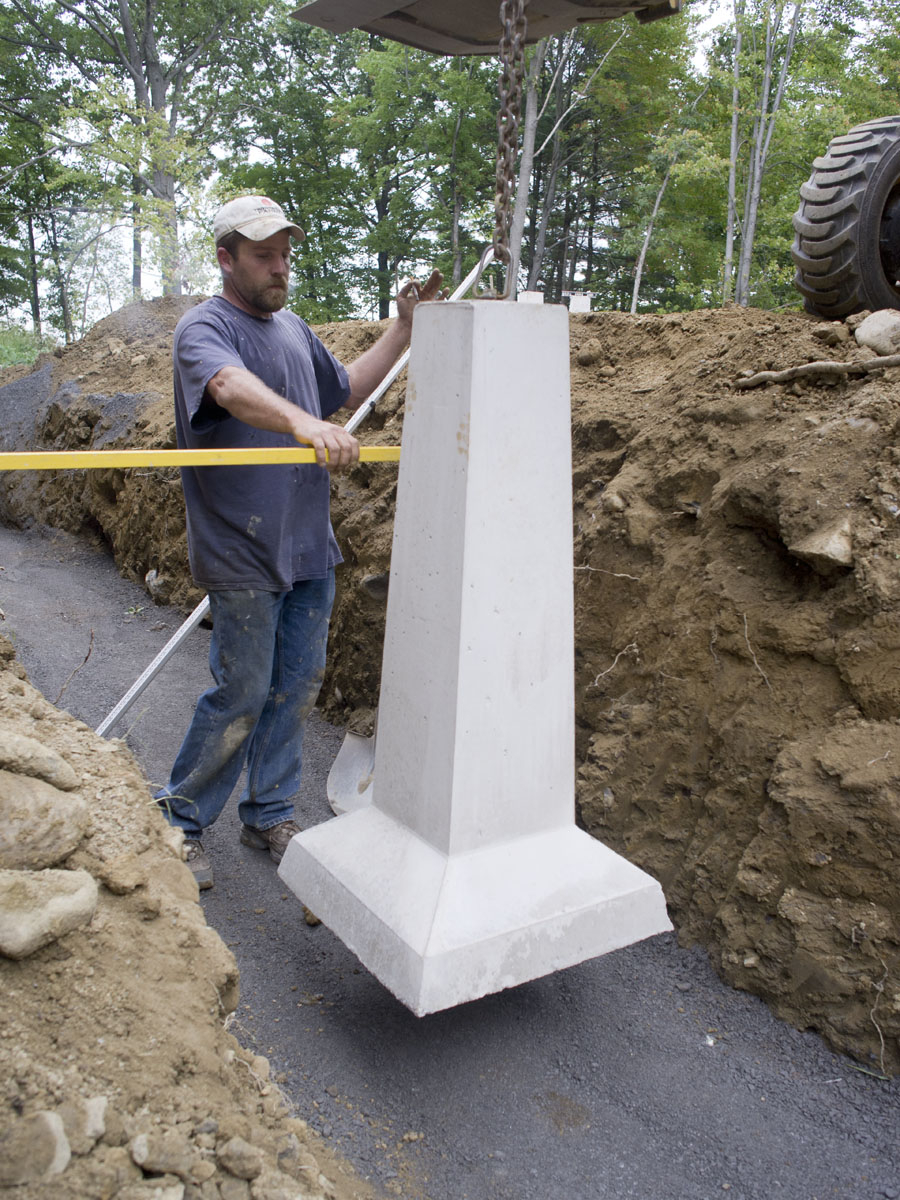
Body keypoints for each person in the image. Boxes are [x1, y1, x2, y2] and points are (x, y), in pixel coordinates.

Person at [156, 194, 444, 889]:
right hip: (241, 548)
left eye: (285, 254)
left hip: (307, 545)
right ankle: (179, 822)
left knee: (295, 686)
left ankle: (270, 813)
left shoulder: (293, 329)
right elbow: (228, 388)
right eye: (263, 255)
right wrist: (302, 425)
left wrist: (401, 331)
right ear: (226, 259)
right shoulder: (204, 330)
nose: (279, 267)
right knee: (244, 690)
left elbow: (343, 390)